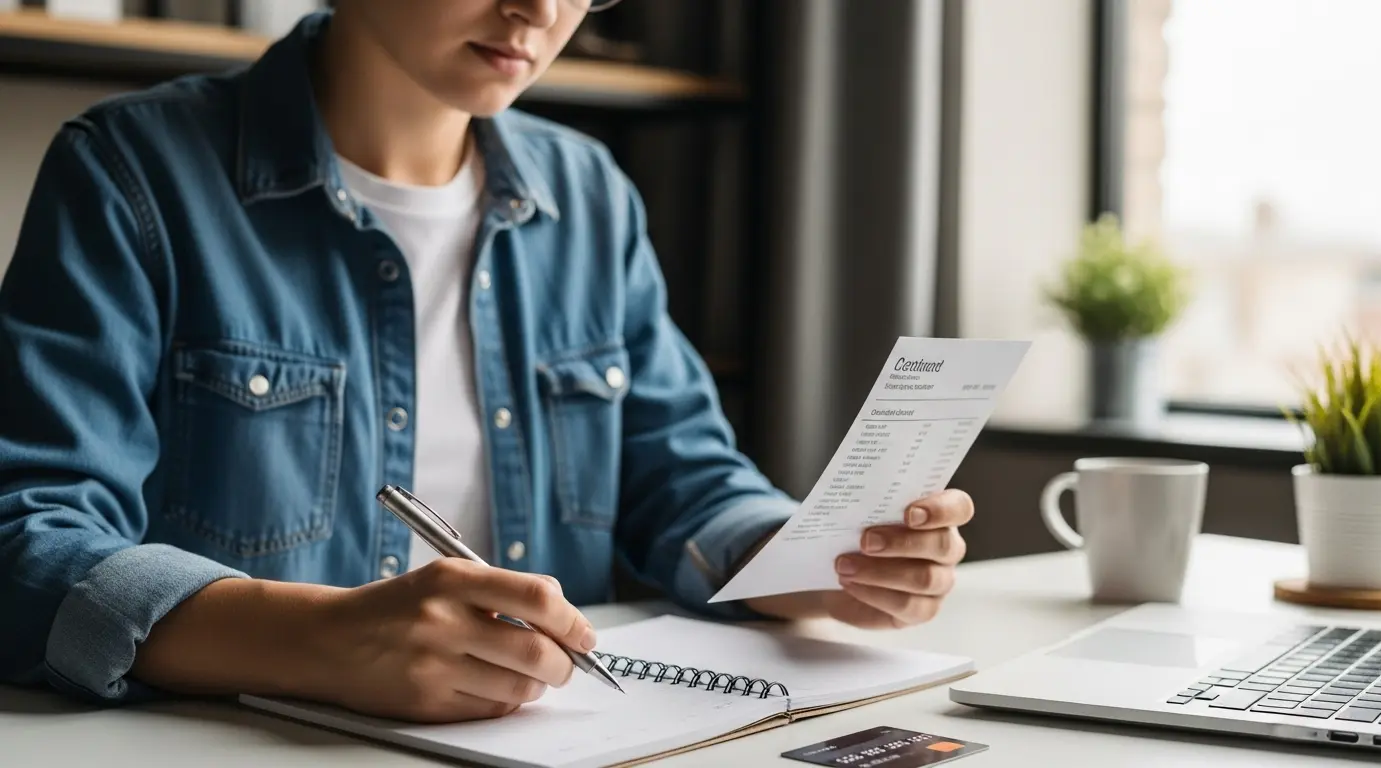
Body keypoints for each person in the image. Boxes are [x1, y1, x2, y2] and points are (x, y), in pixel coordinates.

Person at [0, 0, 974, 723]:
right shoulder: (133, 170)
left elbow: (680, 479)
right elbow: (28, 538)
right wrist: (318, 642)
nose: (540, 12)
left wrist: (811, 564)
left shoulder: (589, 193)